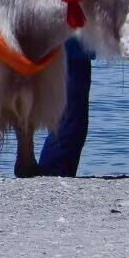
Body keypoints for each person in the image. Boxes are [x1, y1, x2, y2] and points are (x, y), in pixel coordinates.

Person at [36, 39, 90, 176]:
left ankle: (55, 172)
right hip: (68, 51)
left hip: (67, 50)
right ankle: (53, 172)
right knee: (70, 120)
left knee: (72, 120)